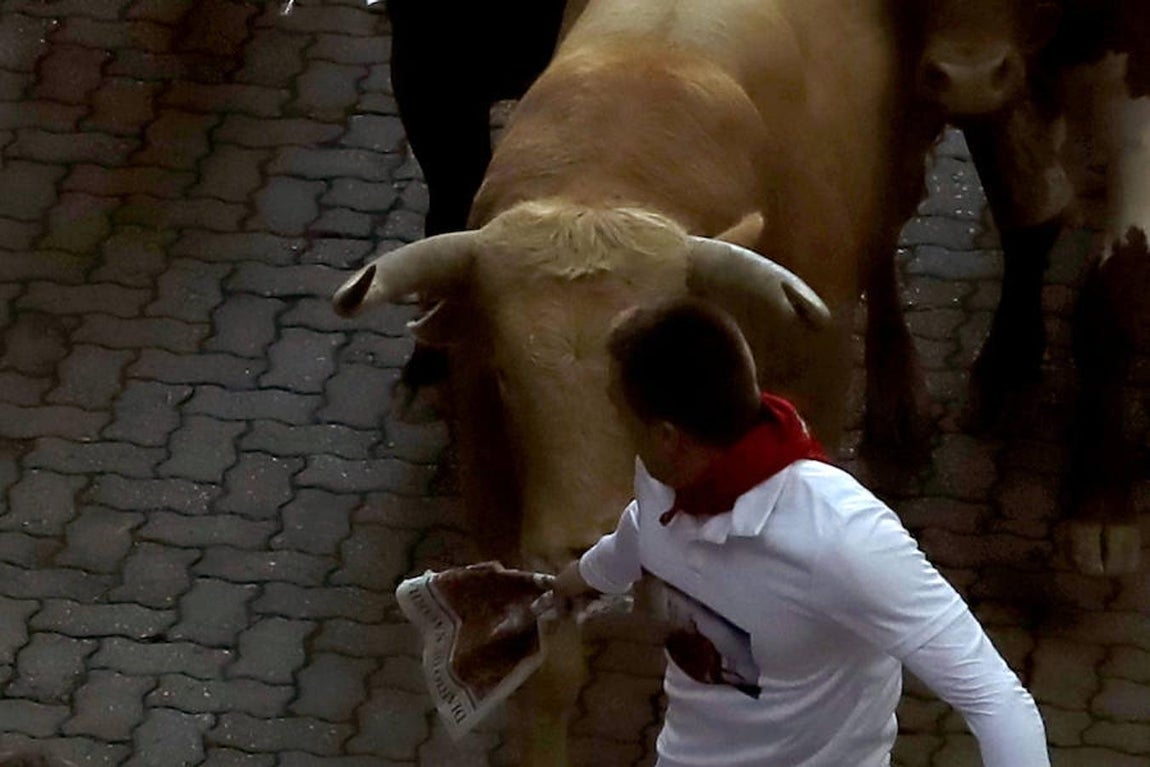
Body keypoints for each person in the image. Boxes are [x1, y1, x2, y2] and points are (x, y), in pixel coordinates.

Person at [550, 297, 1050, 767]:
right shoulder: (662, 479)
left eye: (618, 415)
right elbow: (645, 528)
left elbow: (996, 700)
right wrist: (578, 581)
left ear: (667, 438)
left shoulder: (844, 540)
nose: (614, 429)